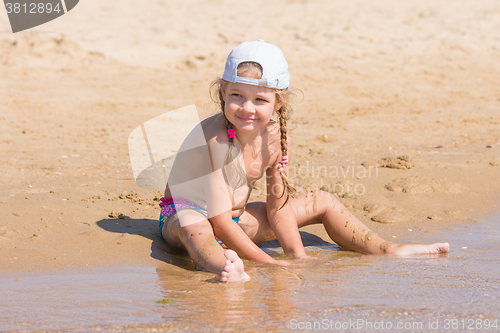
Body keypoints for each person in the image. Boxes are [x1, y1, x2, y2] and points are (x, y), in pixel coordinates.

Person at [159, 40, 449, 282]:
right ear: (223, 93)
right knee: (194, 228)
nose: (247, 108)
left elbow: (278, 209)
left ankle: (387, 249)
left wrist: (297, 256)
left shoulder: (274, 135)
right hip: (187, 216)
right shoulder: (216, 140)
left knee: (322, 201)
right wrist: (269, 263)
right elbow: (219, 222)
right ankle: (224, 267)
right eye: (237, 95)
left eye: (260, 100)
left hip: (238, 219)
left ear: (278, 103)